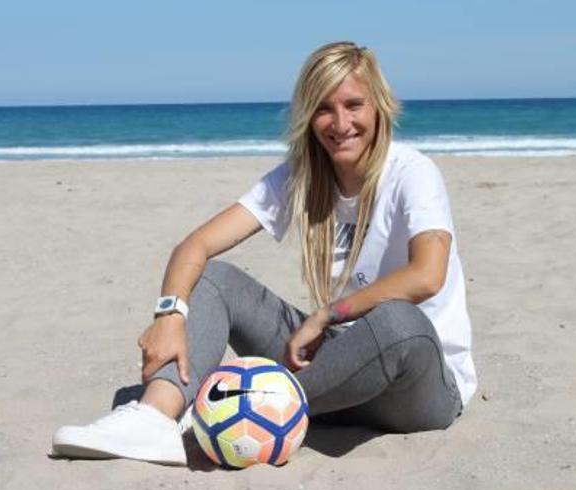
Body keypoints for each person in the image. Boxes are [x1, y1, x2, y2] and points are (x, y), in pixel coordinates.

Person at [51, 41, 476, 465]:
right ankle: (155, 417)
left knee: (399, 319)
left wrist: (328, 313)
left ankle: (219, 413)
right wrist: (169, 314)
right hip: (335, 378)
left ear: (379, 107)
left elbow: (427, 275)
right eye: (324, 108)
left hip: (416, 388)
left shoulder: (412, 173)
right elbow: (195, 246)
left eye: (354, 104)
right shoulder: (302, 178)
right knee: (215, 278)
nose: (340, 122)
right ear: (309, 116)